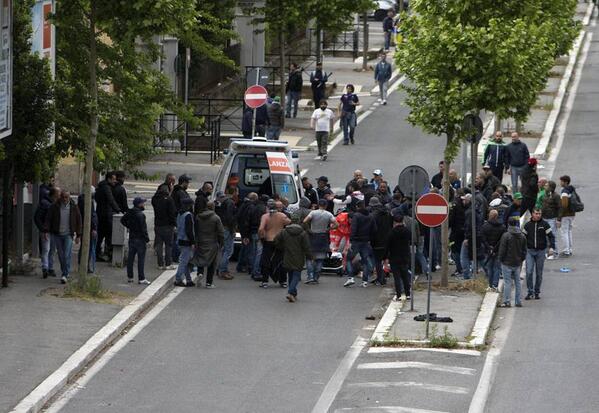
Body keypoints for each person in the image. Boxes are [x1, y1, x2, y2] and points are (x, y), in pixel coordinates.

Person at [44, 190, 82, 284]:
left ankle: (65, 274)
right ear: (60, 197)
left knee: (66, 254)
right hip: (57, 234)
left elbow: (79, 221)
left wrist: (78, 235)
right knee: (61, 256)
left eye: (67, 197)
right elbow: (48, 219)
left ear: (70, 197)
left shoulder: (74, 207)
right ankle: (65, 271)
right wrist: (46, 231)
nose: (65, 199)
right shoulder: (54, 206)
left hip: (68, 235)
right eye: (63, 197)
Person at [274, 215, 312, 303]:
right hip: (299, 256)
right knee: (296, 275)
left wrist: (282, 247)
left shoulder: (284, 232)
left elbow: (276, 240)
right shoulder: (302, 233)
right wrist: (310, 256)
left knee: (291, 274)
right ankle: (291, 292)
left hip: (287, 255)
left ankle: (293, 293)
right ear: (299, 221)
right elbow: (306, 247)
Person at [522, 208, 555, 300]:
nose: (538, 215)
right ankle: (530, 291)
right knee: (528, 272)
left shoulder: (545, 224)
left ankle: (537, 292)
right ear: (532, 214)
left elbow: (551, 236)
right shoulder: (527, 225)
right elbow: (522, 238)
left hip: (541, 252)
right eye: (536, 213)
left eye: (539, 214)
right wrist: (521, 250)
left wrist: (551, 247)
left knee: (539, 273)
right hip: (530, 251)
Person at [304, 199, 338, 284]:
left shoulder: (313, 213)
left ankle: (310, 276)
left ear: (318, 205)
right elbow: (336, 224)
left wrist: (308, 229)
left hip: (313, 235)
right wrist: (329, 229)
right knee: (320, 258)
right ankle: (316, 277)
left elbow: (305, 221)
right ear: (326, 205)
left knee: (309, 258)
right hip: (323, 236)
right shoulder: (329, 214)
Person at [259, 200, 291, 288]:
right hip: (280, 240)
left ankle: (265, 281)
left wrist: (262, 236)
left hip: (268, 239)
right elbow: (289, 222)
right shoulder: (282, 215)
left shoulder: (265, 216)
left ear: (268, 207)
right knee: (281, 260)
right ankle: (283, 281)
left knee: (266, 260)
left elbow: (261, 228)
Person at [344, 200, 376, 287]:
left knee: (348, 259)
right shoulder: (370, 216)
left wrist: (350, 241)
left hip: (356, 241)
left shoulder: (356, 216)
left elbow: (353, 229)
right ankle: (365, 281)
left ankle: (350, 278)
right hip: (366, 241)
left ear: (357, 207)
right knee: (365, 261)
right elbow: (374, 230)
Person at [193, 201, 224, 288]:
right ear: (213, 207)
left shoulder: (198, 217)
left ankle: (200, 273)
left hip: (200, 241)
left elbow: (195, 229)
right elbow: (221, 232)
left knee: (200, 259)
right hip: (212, 242)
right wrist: (221, 243)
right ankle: (209, 283)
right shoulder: (216, 218)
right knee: (212, 262)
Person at [498, 218, 527, 307]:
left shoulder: (506, 236)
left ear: (508, 224)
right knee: (517, 282)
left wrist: (500, 259)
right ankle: (518, 301)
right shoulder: (522, 236)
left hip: (507, 262)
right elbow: (524, 251)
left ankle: (507, 301)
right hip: (517, 263)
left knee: (508, 282)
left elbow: (502, 249)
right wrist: (521, 259)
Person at [121, 197, 151, 285]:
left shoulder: (130, 212)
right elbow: (143, 229)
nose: (144, 205)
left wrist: (129, 226)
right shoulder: (141, 215)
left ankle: (130, 277)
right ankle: (141, 278)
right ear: (139, 204)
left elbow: (122, 220)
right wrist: (147, 239)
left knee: (131, 258)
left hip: (132, 237)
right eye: (142, 203)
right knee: (141, 259)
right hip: (140, 239)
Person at [95, 172, 121, 261]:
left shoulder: (100, 187)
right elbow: (111, 200)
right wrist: (118, 210)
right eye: (113, 179)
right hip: (106, 215)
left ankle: (97, 253)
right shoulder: (106, 188)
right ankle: (107, 253)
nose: (115, 181)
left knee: (100, 236)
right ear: (108, 179)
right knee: (108, 235)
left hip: (100, 214)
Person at [386, 214, 412, 301]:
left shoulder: (391, 232)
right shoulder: (407, 231)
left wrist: (385, 258)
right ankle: (408, 294)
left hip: (394, 257)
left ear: (394, 222)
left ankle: (399, 295)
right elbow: (411, 241)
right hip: (405, 256)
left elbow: (388, 246)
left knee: (397, 277)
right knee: (405, 276)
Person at [35, 186, 59, 278]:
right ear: (54, 195)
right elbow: (37, 217)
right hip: (47, 231)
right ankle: (46, 267)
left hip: (53, 231)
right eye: (58, 193)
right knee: (47, 249)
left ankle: (49, 268)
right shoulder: (45, 203)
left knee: (51, 250)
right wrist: (43, 229)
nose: (59, 195)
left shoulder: (54, 203)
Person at [369, 197, 393, 285]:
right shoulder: (388, 213)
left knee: (377, 261)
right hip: (387, 241)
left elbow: (372, 230)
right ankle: (381, 277)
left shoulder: (373, 216)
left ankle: (381, 279)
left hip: (377, 242)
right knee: (383, 259)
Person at [152, 187, 177, 270]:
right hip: (168, 225)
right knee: (168, 245)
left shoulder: (155, 199)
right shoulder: (169, 200)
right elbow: (172, 213)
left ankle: (160, 263)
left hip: (158, 224)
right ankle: (168, 263)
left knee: (159, 244)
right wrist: (174, 224)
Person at [481, 210, 506, 290]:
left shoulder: (485, 226)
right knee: (497, 268)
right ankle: (495, 284)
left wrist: (489, 247)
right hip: (498, 250)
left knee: (490, 267)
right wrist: (495, 248)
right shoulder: (502, 227)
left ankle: (490, 284)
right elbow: (502, 240)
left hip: (488, 250)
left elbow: (483, 239)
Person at [215, 191, 237, 280]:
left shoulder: (222, 204)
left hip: (222, 228)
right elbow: (230, 217)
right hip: (228, 228)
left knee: (224, 250)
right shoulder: (230, 203)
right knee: (228, 250)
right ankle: (223, 270)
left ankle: (220, 268)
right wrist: (233, 230)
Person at [174, 198, 196, 287]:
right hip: (186, 241)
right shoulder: (188, 215)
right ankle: (178, 279)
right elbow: (189, 230)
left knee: (185, 261)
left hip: (179, 239)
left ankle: (188, 279)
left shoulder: (180, 214)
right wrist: (193, 242)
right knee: (183, 261)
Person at [77, 188, 98, 274]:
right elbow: (91, 215)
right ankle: (85, 266)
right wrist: (94, 228)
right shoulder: (89, 201)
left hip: (84, 226)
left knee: (84, 246)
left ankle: (82, 265)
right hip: (89, 227)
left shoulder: (81, 200)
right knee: (88, 247)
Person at [557, 175, 576, 257]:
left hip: (566, 215)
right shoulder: (571, 189)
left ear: (565, 182)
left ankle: (566, 251)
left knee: (564, 232)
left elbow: (564, 205)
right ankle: (570, 249)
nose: (560, 183)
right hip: (572, 214)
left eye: (561, 181)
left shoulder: (564, 192)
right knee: (569, 231)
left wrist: (559, 217)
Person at [541, 180, 561, 259]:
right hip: (544, 218)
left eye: (546, 185)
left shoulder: (556, 196)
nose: (545, 186)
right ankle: (547, 252)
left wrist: (559, 219)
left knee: (552, 236)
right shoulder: (545, 195)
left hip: (552, 219)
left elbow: (560, 208)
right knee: (545, 236)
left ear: (550, 187)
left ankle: (555, 252)